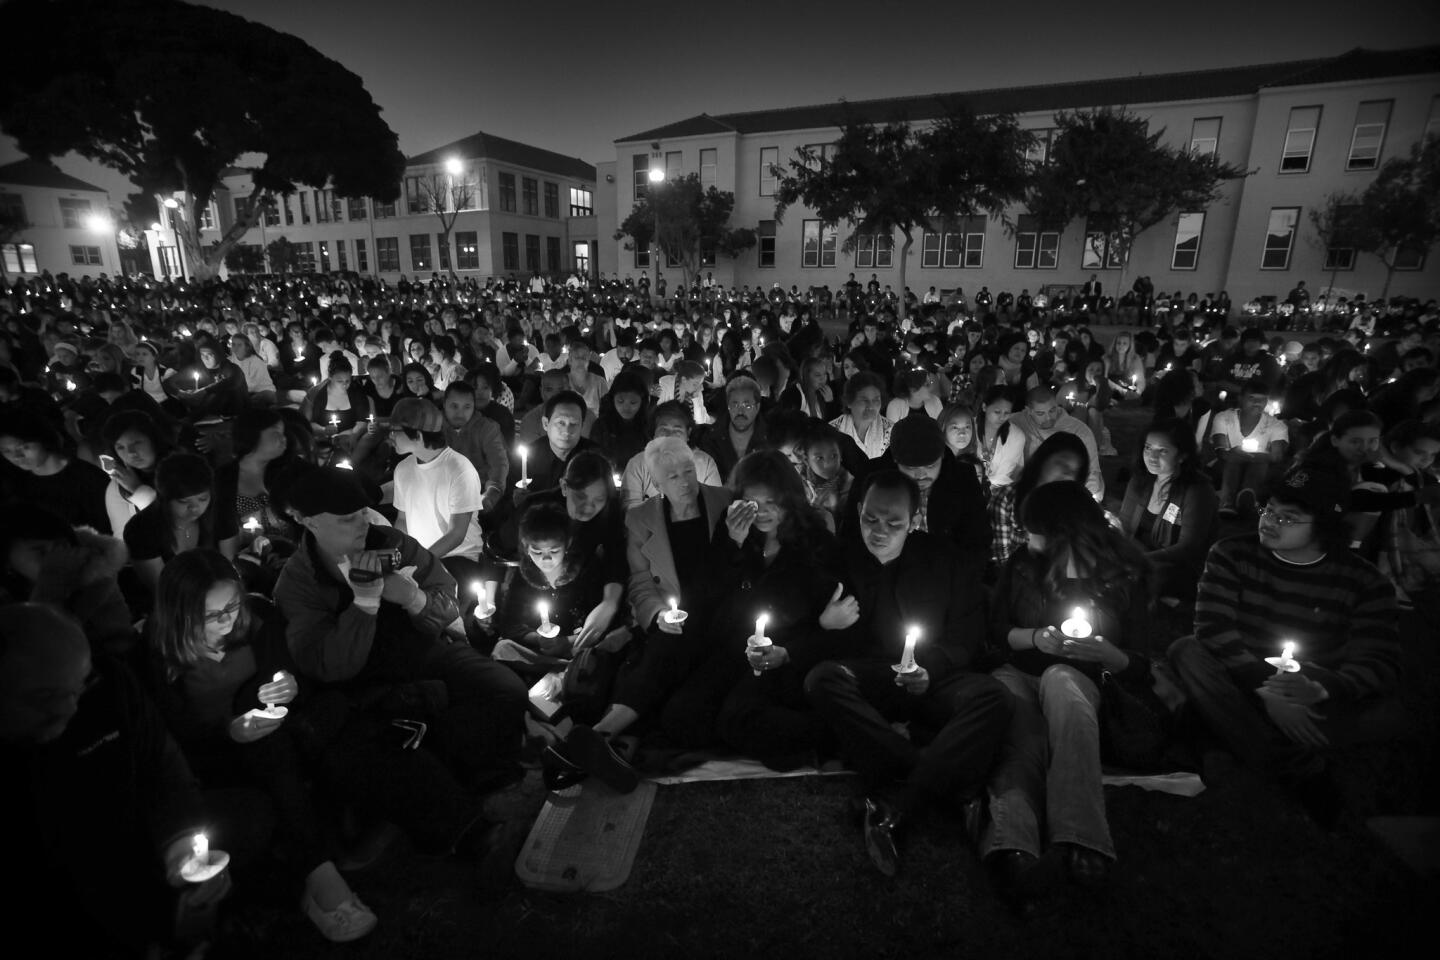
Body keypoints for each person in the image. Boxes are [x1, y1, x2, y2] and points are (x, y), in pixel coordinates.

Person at [146, 552, 377, 942]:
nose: (227, 621)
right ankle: (322, 881)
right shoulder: (158, 653)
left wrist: (289, 686)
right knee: (268, 752)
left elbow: (284, 676)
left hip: (276, 737)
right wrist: (229, 731)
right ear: (180, 613)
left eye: (232, 606)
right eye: (210, 614)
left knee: (275, 741)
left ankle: (320, 877)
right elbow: (175, 733)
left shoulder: (256, 619)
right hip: (215, 754)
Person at [805, 471, 1012, 877]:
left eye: (893, 523)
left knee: (993, 698)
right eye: (870, 519)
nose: (878, 531)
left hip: (932, 678)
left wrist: (929, 671)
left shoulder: (945, 559)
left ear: (914, 521)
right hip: (870, 680)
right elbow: (812, 634)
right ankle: (938, 778)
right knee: (821, 679)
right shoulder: (839, 558)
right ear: (859, 511)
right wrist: (824, 624)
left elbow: (966, 635)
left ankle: (901, 799)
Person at [1168, 466, 1403, 824]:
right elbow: (1213, 629)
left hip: (1309, 683)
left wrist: (1318, 690)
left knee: (1389, 713)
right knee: (1188, 651)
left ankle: (1221, 733)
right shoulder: (1232, 554)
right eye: (1268, 510)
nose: (1269, 522)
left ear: (1324, 525)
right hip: (1240, 672)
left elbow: (1379, 659)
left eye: (1288, 518)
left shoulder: (1364, 581)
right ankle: (1296, 764)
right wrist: (1266, 689)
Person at [274, 467, 529, 794]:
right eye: (348, 518)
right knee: (403, 746)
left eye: (363, 512)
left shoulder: (392, 543)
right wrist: (364, 604)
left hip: (421, 651)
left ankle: (481, 773)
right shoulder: (298, 582)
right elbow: (327, 665)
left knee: (504, 688)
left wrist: (412, 597)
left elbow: (446, 595)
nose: (364, 523)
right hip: (364, 683)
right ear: (310, 522)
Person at [2, 603, 229, 955]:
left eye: (78, 685)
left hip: (140, 846)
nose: (69, 707)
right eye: (45, 697)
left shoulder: (109, 684)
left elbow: (164, 768)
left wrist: (180, 844)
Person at [984, 481, 1153, 894]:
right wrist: (1035, 637)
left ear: (1065, 531)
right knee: (1020, 735)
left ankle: (1081, 839)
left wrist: (1106, 654)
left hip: (1081, 680)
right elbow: (996, 632)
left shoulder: (1122, 574)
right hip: (1019, 670)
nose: (1026, 537)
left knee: (1062, 683)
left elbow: (1141, 659)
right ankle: (1013, 844)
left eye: (1033, 529)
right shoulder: (1025, 564)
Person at [553, 438, 734, 785]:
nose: (685, 483)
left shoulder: (724, 502)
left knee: (664, 657)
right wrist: (656, 616)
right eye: (673, 477)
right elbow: (640, 582)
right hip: (674, 621)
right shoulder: (641, 518)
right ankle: (610, 744)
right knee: (666, 645)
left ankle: (602, 736)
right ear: (657, 484)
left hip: (721, 619)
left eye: (688, 471)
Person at [656, 450, 841, 765]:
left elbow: (825, 616)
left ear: (789, 500)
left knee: (739, 720)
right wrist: (733, 544)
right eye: (754, 504)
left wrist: (793, 647)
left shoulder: (814, 541)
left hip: (782, 656)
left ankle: (835, 734)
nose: (764, 513)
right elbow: (705, 593)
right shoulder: (737, 534)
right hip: (733, 650)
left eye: (773, 503)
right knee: (679, 717)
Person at [0, 506, 134, 657]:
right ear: (7, 563)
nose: (57, 557)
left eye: (61, 546)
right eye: (41, 551)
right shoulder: (7, 600)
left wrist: (51, 584)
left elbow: (57, 645)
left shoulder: (94, 571)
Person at [390, 398, 486, 591]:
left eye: (395, 431)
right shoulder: (403, 468)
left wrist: (419, 562)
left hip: (459, 557)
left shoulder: (459, 469)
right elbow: (402, 519)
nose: (390, 437)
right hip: (421, 557)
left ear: (417, 435)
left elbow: (456, 534)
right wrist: (398, 553)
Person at [1119, 418, 1220, 600]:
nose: (1151, 457)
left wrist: (1142, 561)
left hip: (1175, 564)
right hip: (1137, 554)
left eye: (1163, 451)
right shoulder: (1140, 480)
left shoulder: (1197, 490)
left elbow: (1188, 547)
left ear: (1182, 455)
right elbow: (1124, 525)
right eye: (1148, 448)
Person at [124, 453, 240, 596]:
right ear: (164, 498)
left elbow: (228, 569)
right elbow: (161, 589)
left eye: (203, 499)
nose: (195, 508)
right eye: (183, 502)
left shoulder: (220, 513)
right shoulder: (141, 529)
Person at [989, 432, 1092, 569]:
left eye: (1074, 471)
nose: (1067, 474)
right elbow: (1002, 560)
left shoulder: (1074, 509)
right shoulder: (1006, 499)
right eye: (1062, 464)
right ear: (1043, 460)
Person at [0, 410, 112, 533]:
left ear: (43, 440)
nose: (16, 456)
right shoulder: (18, 487)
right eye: (7, 451)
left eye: (24, 447)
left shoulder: (88, 478)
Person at [989, 387, 1104, 499]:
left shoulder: (1079, 431)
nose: (1048, 417)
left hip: (1067, 493)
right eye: (1040, 413)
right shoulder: (1016, 422)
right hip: (1026, 490)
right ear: (1029, 411)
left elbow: (1092, 472)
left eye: (1052, 410)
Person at [1211, 379, 1288, 517]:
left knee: (1259, 462)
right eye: (1251, 398)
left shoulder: (1277, 425)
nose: (1257, 403)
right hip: (1226, 465)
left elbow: (1276, 456)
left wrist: (1250, 456)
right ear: (1241, 399)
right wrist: (1234, 453)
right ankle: (1229, 501)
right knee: (1234, 458)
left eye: (1262, 399)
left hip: (1259, 467)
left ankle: (1246, 496)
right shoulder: (1223, 418)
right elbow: (1221, 450)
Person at [98, 409, 172, 540]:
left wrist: (138, 490)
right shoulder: (118, 486)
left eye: (136, 443)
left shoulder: (182, 465)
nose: (131, 453)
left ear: (153, 439)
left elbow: (180, 519)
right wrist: (137, 491)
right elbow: (123, 537)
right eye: (120, 447)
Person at [508, 389, 593, 493]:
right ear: (546, 424)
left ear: (582, 426)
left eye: (574, 424)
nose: (566, 431)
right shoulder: (527, 459)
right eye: (561, 423)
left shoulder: (594, 457)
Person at [700, 375, 770, 481]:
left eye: (747, 406)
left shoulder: (772, 438)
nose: (740, 412)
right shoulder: (709, 439)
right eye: (735, 405)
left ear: (757, 407)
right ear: (728, 406)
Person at [589, 370, 652, 470]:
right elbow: (594, 458)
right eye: (620, 401)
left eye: (633, 403)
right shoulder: (602, 426)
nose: (626, 408)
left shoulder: (649, 426)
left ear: (642, 401)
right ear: (612, 399)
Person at [829, 371, 893, 460]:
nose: (871, 406)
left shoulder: (891, 431)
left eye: (876, 400)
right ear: (849, 402)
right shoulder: (832, 432)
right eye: (864, 400)